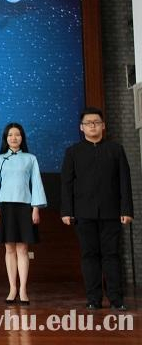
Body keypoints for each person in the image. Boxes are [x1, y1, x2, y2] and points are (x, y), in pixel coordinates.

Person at [61, 107, 133, 311]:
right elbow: (66, 183)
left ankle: (116, 299)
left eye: (96, 122)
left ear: (103, 126)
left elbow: (125, 181)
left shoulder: (116, 149)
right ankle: (93, 299)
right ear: (81, 128)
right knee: (89, 255)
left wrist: (126, 210)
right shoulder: (73, 152)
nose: (92, 126)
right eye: (88, 123)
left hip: (112, 212)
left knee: (112, 255)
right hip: (83, 213)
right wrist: (66, 211)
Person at [0, 123, 46, 305]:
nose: (14, 138)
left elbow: (37, 184)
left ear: (22, 138)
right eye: (10, 135)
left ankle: (23, 289)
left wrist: (36, 208)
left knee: (23, 249)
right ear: (6, 138)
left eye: (17, 134)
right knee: (9, 249)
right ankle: (12, 288)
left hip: (25, 207)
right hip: (5, 207)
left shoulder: (31, 158)